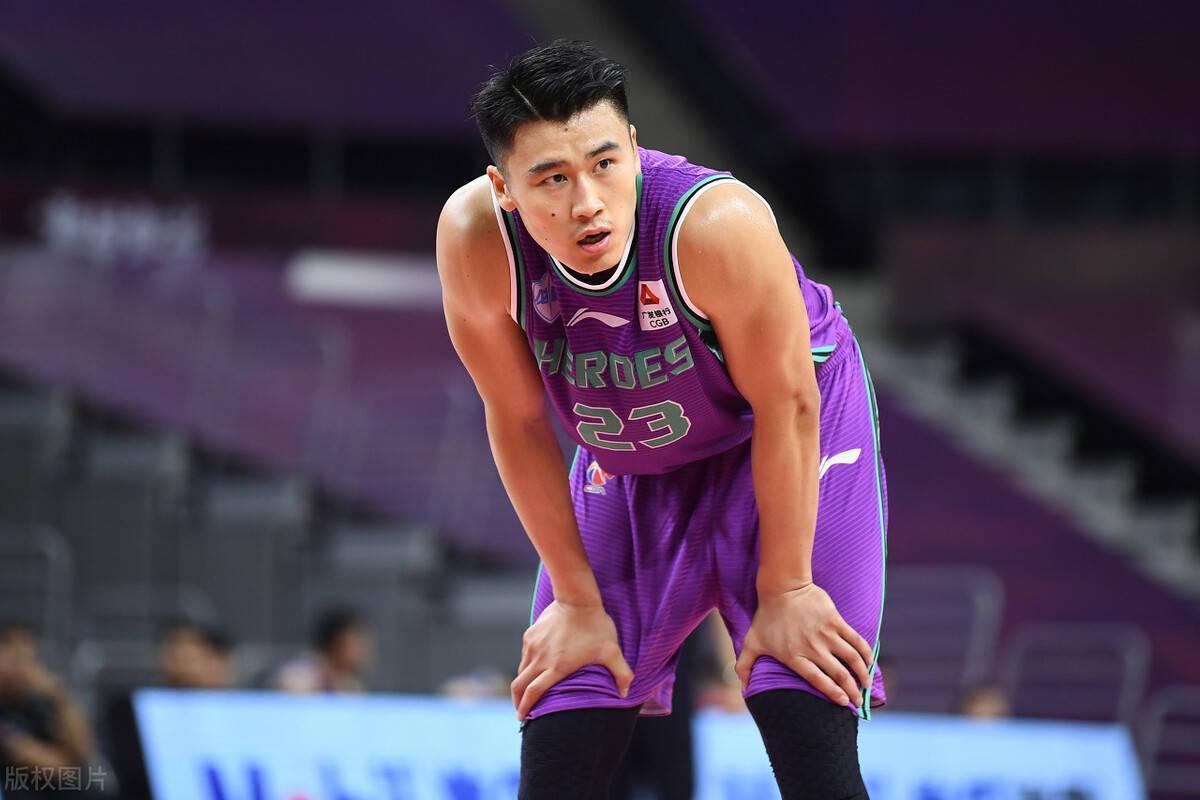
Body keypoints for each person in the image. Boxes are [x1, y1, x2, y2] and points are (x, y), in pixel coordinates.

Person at [437, 40, 888, 798]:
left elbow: (787, 403)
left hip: (780, 428)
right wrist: (576, 600)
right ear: (503, 188)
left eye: (605, 164)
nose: (586, 201)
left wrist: (786, 589)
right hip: (637, 448)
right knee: (567, 707)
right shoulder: (476, 240)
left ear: (634, 147)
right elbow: (517, 423)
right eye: (552, 178)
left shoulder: (716, 224)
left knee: (802, 695)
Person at [101, 618, 236, 800]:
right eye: (173, 650)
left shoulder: (247, 716)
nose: (179, 660)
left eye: (190, 653)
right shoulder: (131, 711)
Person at [0, 622, 97, 799]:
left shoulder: (38, 704)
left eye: (28, 659)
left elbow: (83, 754)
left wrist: (59, 696)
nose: (20, 668)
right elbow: (55, 767)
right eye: (13, 658)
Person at [272, 607, 373, 694]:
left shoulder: (351, 685)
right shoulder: (301, 674)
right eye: (358, 643)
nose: (364, 651)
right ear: (337, 642)